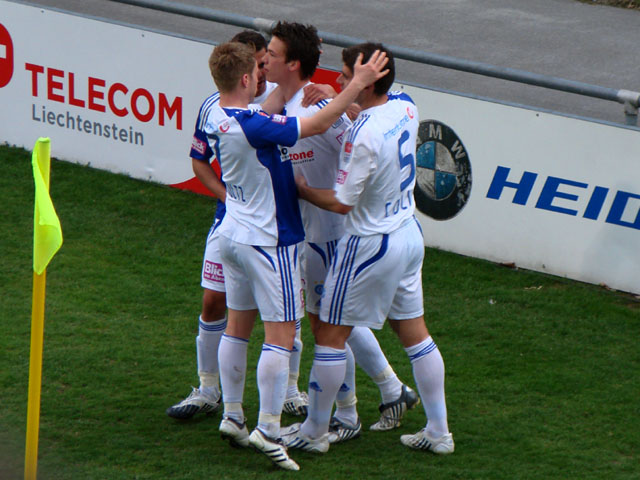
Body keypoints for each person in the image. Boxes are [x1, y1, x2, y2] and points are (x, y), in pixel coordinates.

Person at [206, 41, 389, 470]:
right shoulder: (255, 125)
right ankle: (269, 430)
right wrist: (356, 85)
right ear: (246, 79)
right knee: (281, 336)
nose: (263, 74)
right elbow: (318, 123)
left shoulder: (218, 112)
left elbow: (270, 106)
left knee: (236, 327)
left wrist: (305, 91)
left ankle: (232, 415)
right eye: (258, 70)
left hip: (231, 233)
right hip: (269, 240)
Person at [283, 42, 454, 455]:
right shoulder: (406, 106)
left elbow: (343, 201)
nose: (340, 81)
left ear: (367, 82)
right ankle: (439, 432)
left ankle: (315, 432)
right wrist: (341, 96)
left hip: (369, 245)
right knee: (416, 336)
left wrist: (302, 190)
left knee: (330, 335)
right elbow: (372, 108)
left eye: (346, 76)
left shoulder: (362, 135)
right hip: (407, 234)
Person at [264, 21, 419, 442]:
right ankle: (388, 391)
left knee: (329, 328)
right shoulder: (292, 104)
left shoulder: (316, 113)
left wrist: (339, 103)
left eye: (272, 54)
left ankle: (348, 414)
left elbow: (358, 143)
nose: (264, 60)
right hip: (316, 231)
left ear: (293, 64)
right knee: (332, 324)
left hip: (333, 233)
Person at [166, 30, 278, 420]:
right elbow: (199, 160)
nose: (262, 73)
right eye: (257, 65)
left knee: (282, 317)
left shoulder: (284, 100)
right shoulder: (214, 106)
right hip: (228, 222)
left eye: (266, 63)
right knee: (213, 301)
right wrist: (225, 196)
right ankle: (208, 390)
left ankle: (290, 392)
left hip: (274, 229)